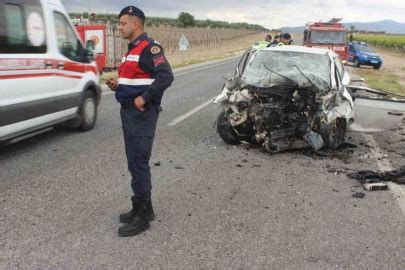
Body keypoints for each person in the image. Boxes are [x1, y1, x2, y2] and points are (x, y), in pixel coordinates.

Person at [106, 5, 174, 237]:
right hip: (129, 112)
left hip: (141, 114)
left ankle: (143, 216)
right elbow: (137, 79)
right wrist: (119, 86)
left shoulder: (149, 47)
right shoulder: (131, 49)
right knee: (133, 161)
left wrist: (144, 98)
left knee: (138, 162)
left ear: (135, 24)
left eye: (123, 23)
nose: (119, 27)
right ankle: (141, 207)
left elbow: (166, 76)